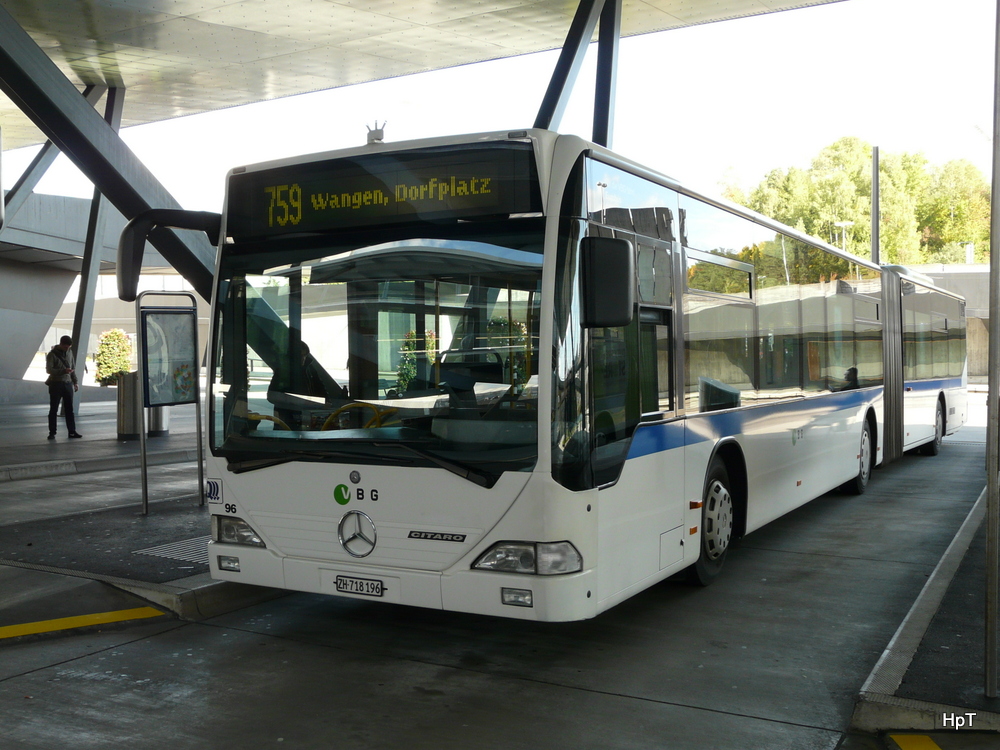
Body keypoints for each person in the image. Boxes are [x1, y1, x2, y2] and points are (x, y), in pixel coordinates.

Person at [46, 335, 82, 439]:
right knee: (54, 409)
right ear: (61, 344)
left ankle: (72, 431)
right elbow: (49, 370)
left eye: (69, 347)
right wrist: (63, 371)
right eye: (66, 347)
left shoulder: (70, 353)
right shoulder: (52, 355)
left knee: (69, 409)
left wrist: (75, 382)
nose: (67, 349)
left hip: (67, 384)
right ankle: (52, 432)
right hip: (55, 384)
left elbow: (72, 368)